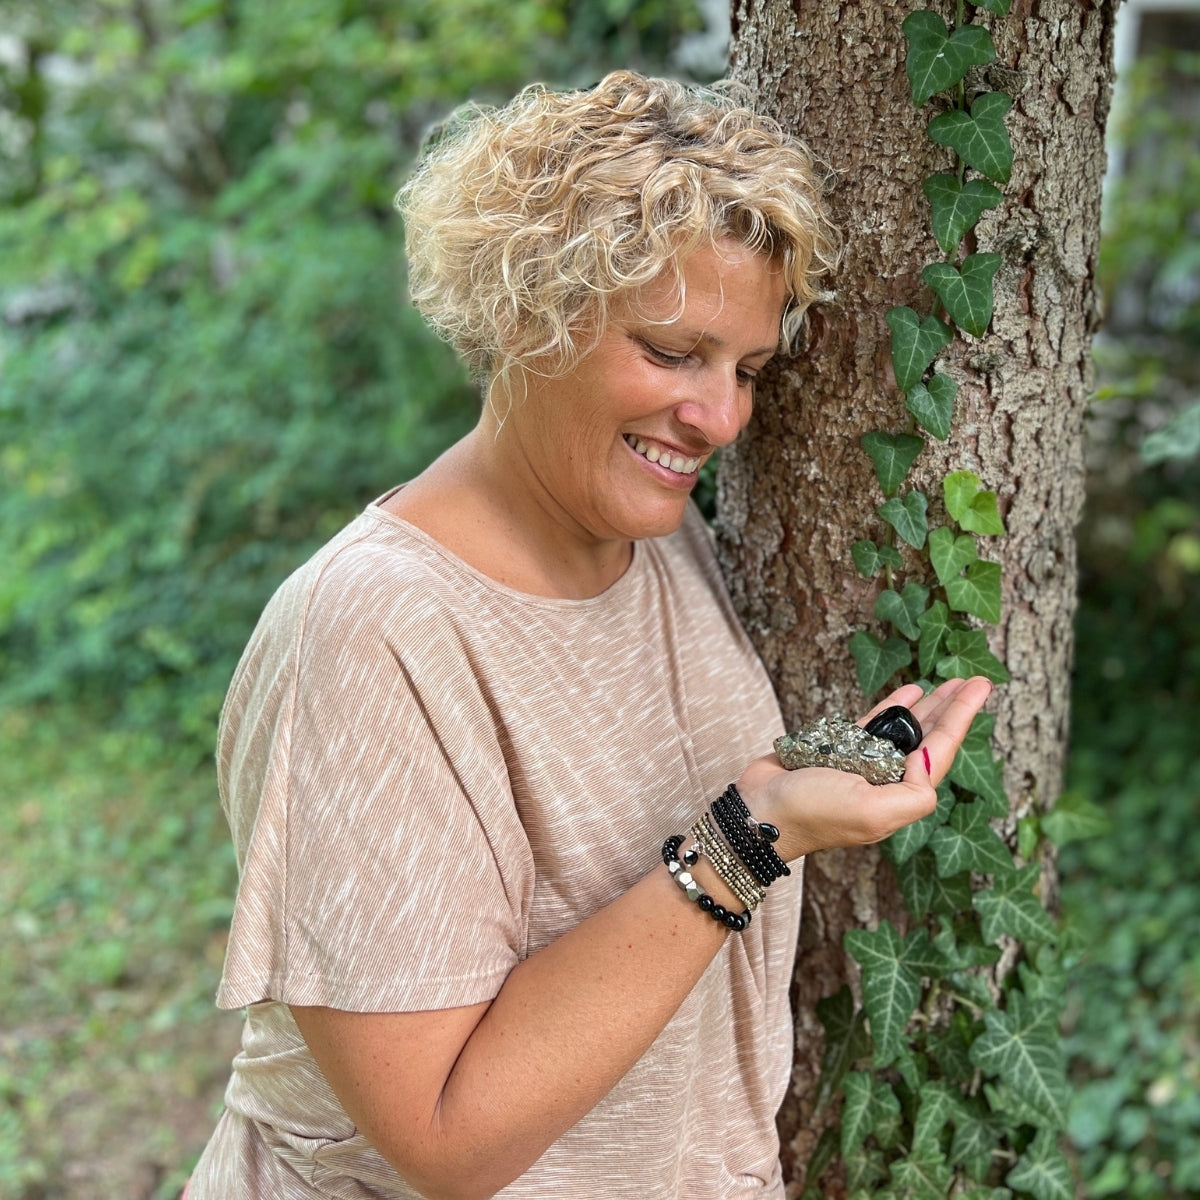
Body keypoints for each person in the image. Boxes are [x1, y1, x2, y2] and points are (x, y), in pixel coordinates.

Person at [186, 70, 992, 1199]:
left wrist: (810, 787)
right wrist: (752, 837)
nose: (720, 417)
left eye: (747, 369)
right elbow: (444, 1137)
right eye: (671, 352)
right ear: (528, 309)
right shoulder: (370, 634)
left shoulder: (655, 534)